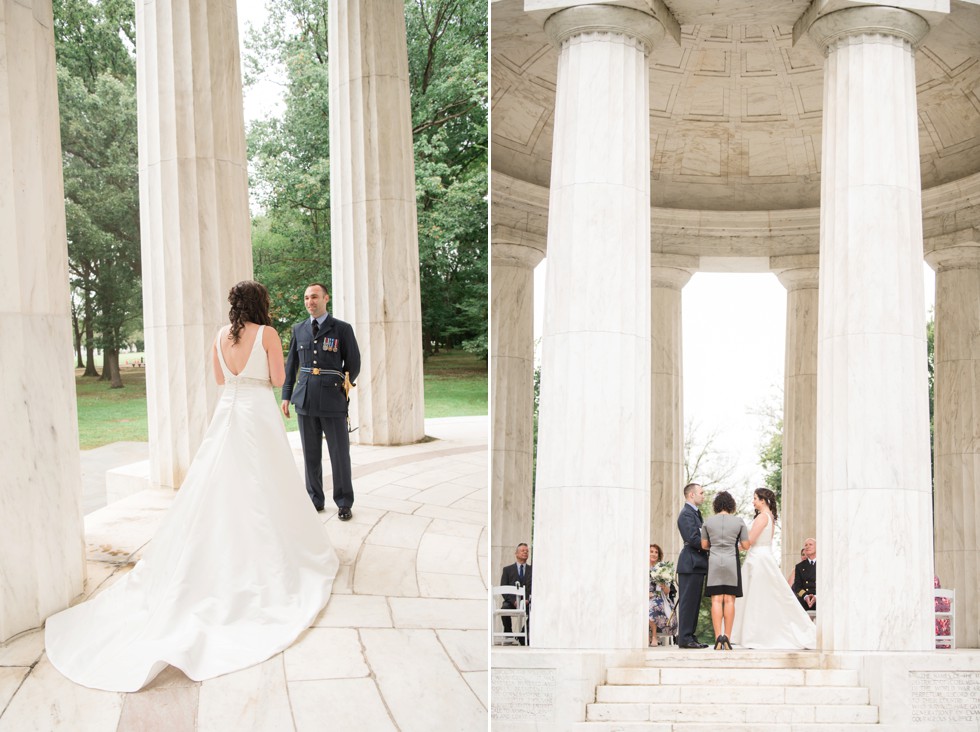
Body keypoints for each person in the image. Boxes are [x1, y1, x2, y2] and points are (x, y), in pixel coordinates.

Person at [45, 281, 339, 692]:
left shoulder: (220, 336)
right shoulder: (268, 334)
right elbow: (276, 378)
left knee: (217, 485)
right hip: (256, 414)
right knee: (266, 486)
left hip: (228, 413)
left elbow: (221, 379)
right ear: (261, 304)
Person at [281, 283, 361, 520]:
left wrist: (340, 388)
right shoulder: (299, 329)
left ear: (326, 298)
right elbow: (291, 366)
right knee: (310, 454)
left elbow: (353, 364)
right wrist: (286, 395)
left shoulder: (342, 329)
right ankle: (315, 499)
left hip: (332, 401)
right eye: (306, 298)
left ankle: (344, 502)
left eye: (314, 297)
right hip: (304, 399)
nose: (309, 302)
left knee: (339, 454)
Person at [731, 488, 816, 649]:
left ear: (763, 500)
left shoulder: (762, 517)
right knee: (764, 596)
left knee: (756, 597)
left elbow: (749, 542)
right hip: (764, 556)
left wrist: (730, 546)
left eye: (755, 498)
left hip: (758, 560)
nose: (753, 501)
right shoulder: (770, 517)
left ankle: (755, 635)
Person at [700, 491, 749, 651]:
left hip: (714, 561)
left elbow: (704, 545)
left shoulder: (708, 522)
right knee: (729, 600)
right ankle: (727, 637)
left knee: (716, 600)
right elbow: (746, 545)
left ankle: (717, 638)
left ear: (716, 505)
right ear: (731, 505)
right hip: (730, 561)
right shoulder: (739, 522)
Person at [676, 482, 709, 648]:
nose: (703, 496)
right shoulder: (686, 514)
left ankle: (690, 635)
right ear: (691, 495)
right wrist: (712, 544)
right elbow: (693, 538)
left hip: (697, 564)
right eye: (701, 493)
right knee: (688, 602)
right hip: (690, 564)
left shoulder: (695, 513)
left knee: (694, 603)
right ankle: (685, 638)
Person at [500, 543, 532, 645]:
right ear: (516, 554)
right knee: (504, 609)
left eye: (527, 551)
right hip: (511, 601)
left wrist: (527, 600)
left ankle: (523, 635)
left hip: (527, 602)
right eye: (523, 550)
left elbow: (534, 588)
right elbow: (503, 588)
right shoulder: (507, 570)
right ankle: (508, 633)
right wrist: (513, 601)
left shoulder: (532, 570)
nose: (525, 552)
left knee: (535, 611)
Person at [648, 543, 677, 647]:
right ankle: (647, 635)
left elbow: (667, 591)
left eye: (656, 552)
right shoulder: (640, 568)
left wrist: (663, 585)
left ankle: (654, 636)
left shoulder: (662, 569)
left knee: (653, 605)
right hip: (643, 596)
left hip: (659, 597)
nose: (654, 554)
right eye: (651, 551)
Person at [792, 537, 817, 611]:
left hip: (821, 599)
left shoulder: (824, 564)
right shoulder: (799, 566)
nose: (807, 546)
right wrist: (806, 596)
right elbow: (797, 586)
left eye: (810, 544)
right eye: (806, 545)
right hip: (805, 600)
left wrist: (816, 596)